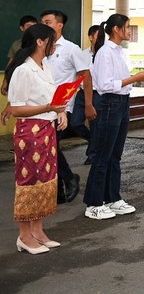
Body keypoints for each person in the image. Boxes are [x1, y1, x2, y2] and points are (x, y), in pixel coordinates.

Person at [5, 23, 68, 253]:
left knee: (46, 180)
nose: (54, 44)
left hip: (46, 130)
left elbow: (52, 97)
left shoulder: (46, 67)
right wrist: (50, 107)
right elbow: (17, 109)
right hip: (29, 132)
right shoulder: (23, 70)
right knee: (28, 182)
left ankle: (38, 231)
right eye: (51, 40)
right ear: (40, 42)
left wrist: (59, 111)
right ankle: (24, 235)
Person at [84, 14, 144, 219]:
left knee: (115, 154)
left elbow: (120, 81)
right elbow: (105, 85)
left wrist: (133, 80)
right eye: (127, 27)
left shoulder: (118, 51)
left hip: (122, 103)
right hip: (110, 103)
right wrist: (134, 78)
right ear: (116, 29)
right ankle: (94, 203)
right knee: (103, 154)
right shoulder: (105, 52)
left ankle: (112, 198)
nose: (130, 31)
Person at [41, 10, 94, 205]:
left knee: (51, 144)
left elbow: (86, 77)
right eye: (42, 22)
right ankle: (59, 189)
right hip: (43, 107)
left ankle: (69, 178)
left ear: (59, 25)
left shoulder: (71, 49)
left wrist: (88, 104)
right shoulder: (40, 48)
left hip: (64, 107)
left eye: (48, 22)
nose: (44, 25)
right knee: (48, 146)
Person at [71, 25, 102, 165]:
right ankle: (93, 140)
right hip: (83, 93)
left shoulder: (104, 55)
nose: (101, 39)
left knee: (95, 123)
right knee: (75, 122)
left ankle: (93, 154)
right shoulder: (81, 54)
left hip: (98, 93)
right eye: (97, 35)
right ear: (90, 37)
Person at [1, 14, 37, 96]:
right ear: (22, 28)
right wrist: (5, 81)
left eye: (34, 26)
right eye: (28, 26)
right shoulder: (16, 44)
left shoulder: (42, 43)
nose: (32, 28)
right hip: (18, 81)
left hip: (35, 82)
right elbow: (10, 65)